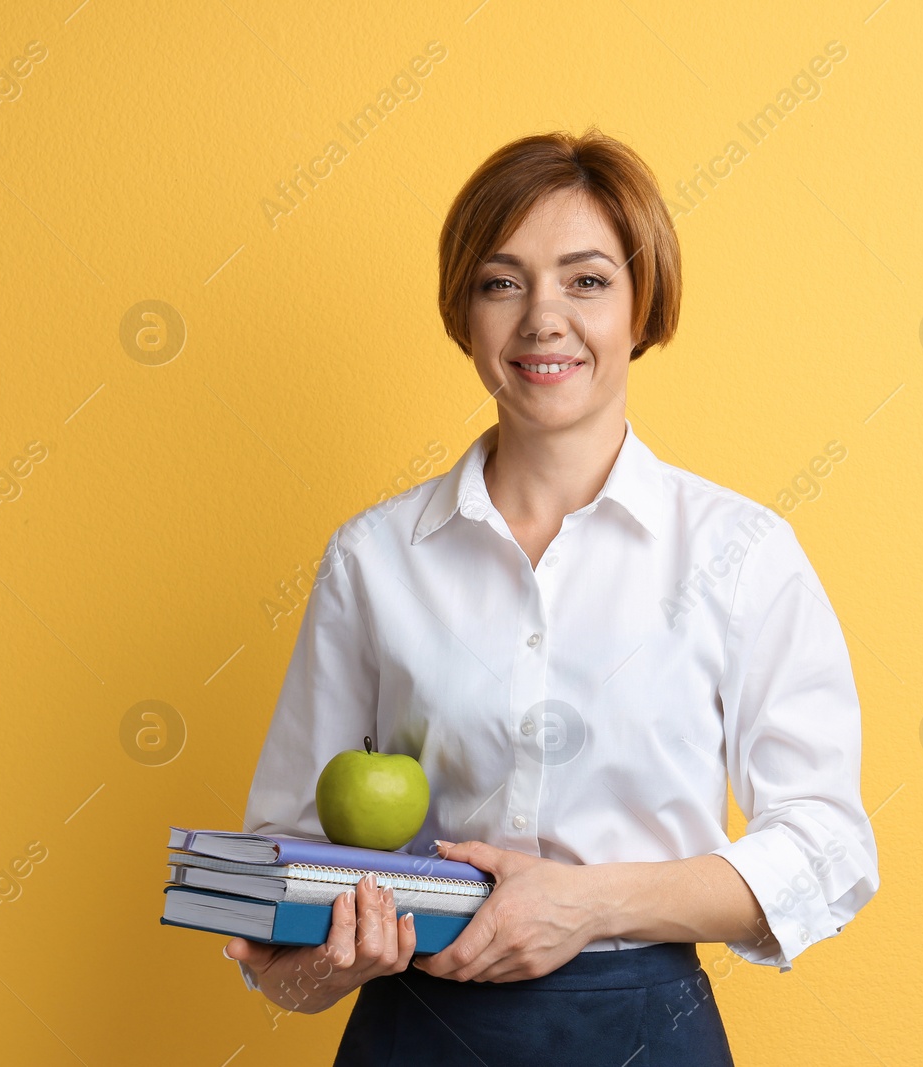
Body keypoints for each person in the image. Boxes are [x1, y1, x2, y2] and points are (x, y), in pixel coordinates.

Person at [221, 127, 879, 1065]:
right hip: (417, 1028)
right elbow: (285, 880)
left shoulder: (740, 554)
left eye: (587, 280)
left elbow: (828, 847)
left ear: (642, 306)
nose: (542, 318)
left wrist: (591, 900)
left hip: (648, 1033)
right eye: (502, 282)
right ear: (465, 313)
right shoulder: (372, 561)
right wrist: (321, 964)